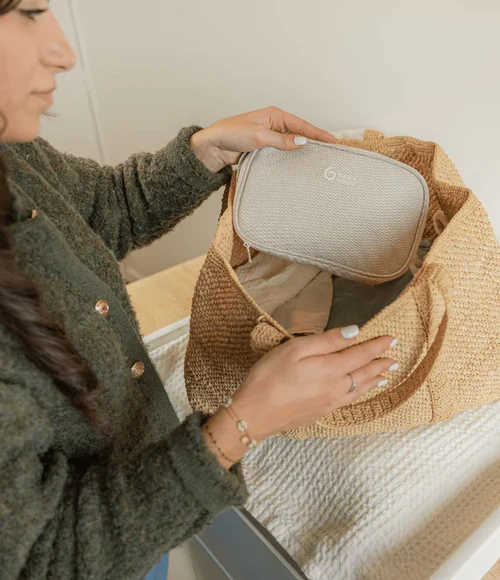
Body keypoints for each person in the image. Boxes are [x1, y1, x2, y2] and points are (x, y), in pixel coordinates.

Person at [0, 1, 399, 578]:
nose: (64, 53)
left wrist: (204, 153)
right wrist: (242, 425)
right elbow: (46, 560)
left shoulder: (12, 152)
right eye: (29, 12)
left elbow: (95, 211)